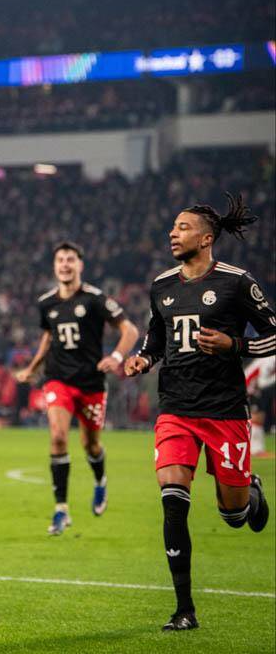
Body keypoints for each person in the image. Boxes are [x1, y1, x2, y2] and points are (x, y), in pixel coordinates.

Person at [124, 193, 273, 631]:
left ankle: (249, 493)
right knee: (173, 502)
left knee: (234, 515)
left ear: (207, 239)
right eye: (173, 226)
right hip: (176, 409)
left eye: (183, 227)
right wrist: (143, 359)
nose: (173, 233)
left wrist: (235, 345)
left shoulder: (236, 282)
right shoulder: (162, 285)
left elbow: (273, 335)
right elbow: (156, 338)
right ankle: (184, 609)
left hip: (225, 410)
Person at [17, 241, 139, 534]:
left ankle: (100, 481)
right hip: (58, 378)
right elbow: (48, 338)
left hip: (91, 382)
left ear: (80, 265)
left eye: (70, 259)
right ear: (54, 266)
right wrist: (33, 368)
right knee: (58, 437)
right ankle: (61, 510)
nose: (65, 265)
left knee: (90, 445)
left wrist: (116, 357)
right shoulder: (46, 303)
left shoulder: (95, 299)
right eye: (60, 260)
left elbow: (130, 330)